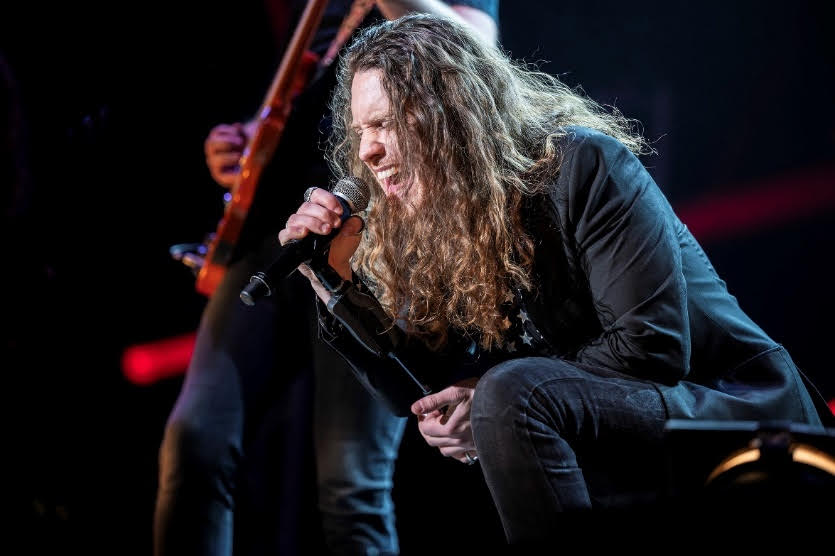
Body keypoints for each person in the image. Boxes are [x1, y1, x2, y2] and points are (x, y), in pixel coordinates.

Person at [279, 13, 830, 544]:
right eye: (360, 131)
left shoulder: (585, 164)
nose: (367, 152)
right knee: (506, 393)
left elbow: (652, 347)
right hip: (621, 447)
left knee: (509, 390)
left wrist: (492, 396)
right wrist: (336, 282)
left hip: (733, 417)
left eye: (384, 124)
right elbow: (418, 390)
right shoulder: (444, 224)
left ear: (450, 111)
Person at [153, 2, 498, 555]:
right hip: (273, 234)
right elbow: (311, 97)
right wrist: (251, 141)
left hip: (372, 238)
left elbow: (474, 51)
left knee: (350, 482)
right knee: (195, 443)